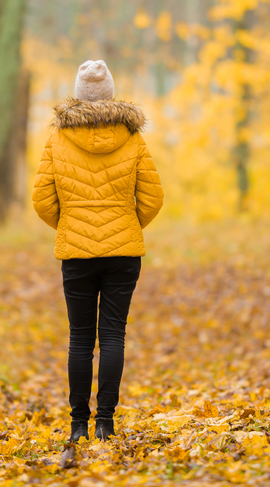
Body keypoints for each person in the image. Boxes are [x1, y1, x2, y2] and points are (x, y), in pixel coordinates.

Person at [32, 60, 164, 443]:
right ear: (110, 93)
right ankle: (105, 423)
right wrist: (127, 223)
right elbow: (153, 198)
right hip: (124, 254)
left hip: (76, 255)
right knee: (112, 336)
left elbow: (42, 201)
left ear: (78, 93)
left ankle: (78, 426)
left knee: (79, 338)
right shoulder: (133, 138)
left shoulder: (58, 139)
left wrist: (71, 225)